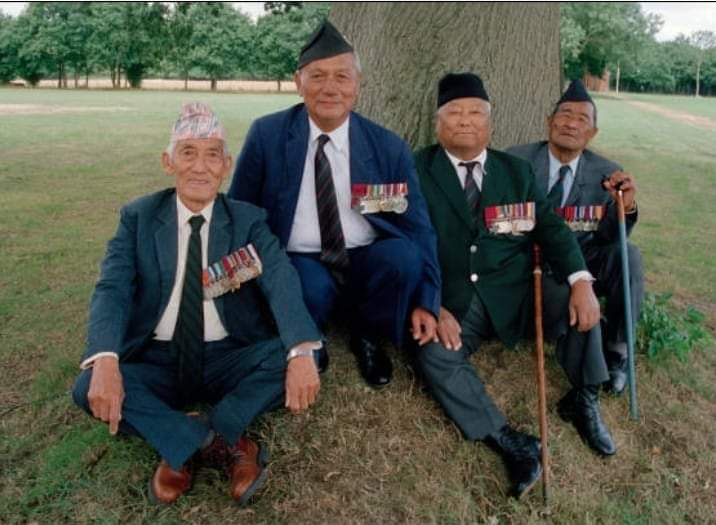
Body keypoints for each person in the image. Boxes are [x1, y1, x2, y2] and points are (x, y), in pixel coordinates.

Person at [72, 103, 322, 505]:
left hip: (229, 354)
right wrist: (105, 358)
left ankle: (201, 432)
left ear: (227, 165)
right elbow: (112, 288)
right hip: (158, 357)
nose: (200, 167)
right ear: (168, 162)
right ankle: (206, 442)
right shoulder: (137, 217)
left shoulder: (247, 220)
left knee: (307, 355)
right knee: (88, 386)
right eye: (188, 153)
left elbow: (280, 279)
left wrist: (300, 350)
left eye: (212, 155)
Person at [413, 73, 617, 499]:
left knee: (579, 302)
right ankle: (509, 441)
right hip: (455, 302)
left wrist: (581, 280)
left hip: (518, 291)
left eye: (475, 113)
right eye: (454, 113)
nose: (465, 121)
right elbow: (405, 243)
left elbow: (553, 231)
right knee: (430, 351)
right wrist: (432, 303)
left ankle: (585, 395)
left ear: (490, 124)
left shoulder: (516, 171)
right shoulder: (416, 169)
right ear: (438, 123)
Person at [229, 21, 440, 387]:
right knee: (309, 286)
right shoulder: (267, 134)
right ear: (298, 82)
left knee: (404, 257)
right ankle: (312, 335)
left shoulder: (387, 146)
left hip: (363, 255)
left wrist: (427, 300)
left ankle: (368, 335)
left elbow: (417, 226)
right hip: (300, 258)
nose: (330, 88)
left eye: (342, 77)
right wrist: (234, 283)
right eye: (317, 76)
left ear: (357, 86)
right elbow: (239, 211)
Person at [507, 79, 643, 395]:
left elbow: (610, 236)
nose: (571, 123)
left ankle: (617, 350)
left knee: (630, 255)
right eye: (565, 114)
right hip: (531, 261)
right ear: (549, 122)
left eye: (582, 119)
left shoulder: (606, 171)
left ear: (592, 134)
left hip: (583, 257)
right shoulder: (516, 160)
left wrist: (626, 205)